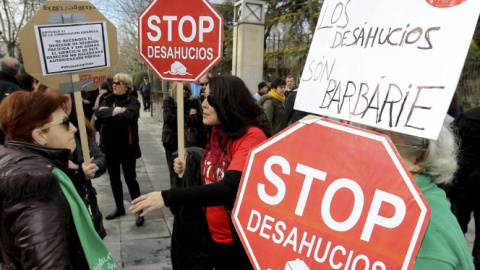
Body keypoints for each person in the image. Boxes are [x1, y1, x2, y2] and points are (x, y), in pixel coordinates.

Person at [130, 75, 270, 270]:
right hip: (209, 235)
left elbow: (229, 188)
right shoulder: (216, 131)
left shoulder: (252, 136)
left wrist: (167, 197)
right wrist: (191, 164)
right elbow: (215, 168)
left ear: (228, 101)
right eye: (204, 96)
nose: (203, 104)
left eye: (210, 99)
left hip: (237, 243)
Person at [0, 91, 116, 269]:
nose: (74, 128)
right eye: (64, 123)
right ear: (40, 136)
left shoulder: (18, 162)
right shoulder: (36, 184)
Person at [373, 123, 474, 269]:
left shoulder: (428, 233)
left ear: (420, 158)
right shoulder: (370, 194)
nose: (363, 146)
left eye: (380, 141)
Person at [94, 73, 144, 226]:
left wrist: (109, 115)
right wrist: (116, 112)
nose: (114, 84)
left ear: (127, 86)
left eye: (119, 82)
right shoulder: (107, 98)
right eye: (113, 82)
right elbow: (98, 114)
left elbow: (128, 117)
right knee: (114, 179)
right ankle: (119, 207)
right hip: (109, 147)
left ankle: (138, 210)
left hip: (127, 148)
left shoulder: (133, 101)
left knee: (130, 179)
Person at [67, 93, 107, 239]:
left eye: (66, 98)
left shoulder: (80, 125)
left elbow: (100, 158)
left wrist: (92, 167)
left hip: (86, 200)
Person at [448, 107, 480, 268]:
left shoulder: (468, 118)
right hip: (464, 184)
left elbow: (450, 141)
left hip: (463, 184)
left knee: (455, 230)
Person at [161, 82, 203, 187]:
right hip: (171, 139)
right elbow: (168, 117)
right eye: (182, 89)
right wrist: (187, 113)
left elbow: (198, 118)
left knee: (188, 170)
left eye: (186, 89)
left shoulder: (193, 101)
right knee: (174, 170)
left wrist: (180, 117)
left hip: (189, 140)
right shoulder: (168, 100)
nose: (184, 92)